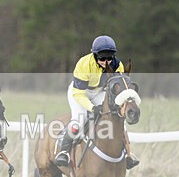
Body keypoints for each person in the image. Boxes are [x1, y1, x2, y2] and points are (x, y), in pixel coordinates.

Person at [53, 34, 140, 169]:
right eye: (102, 57)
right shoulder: (84, 64)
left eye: (109, 57)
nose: (106, 61)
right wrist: (92, 108)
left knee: (118, 118)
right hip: (80, 92)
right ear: (94, 55)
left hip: (100, 91)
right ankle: (63, 151)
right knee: (79, 120)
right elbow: (79, 93)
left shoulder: (118, 65)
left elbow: (117, 89)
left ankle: (128, 154)